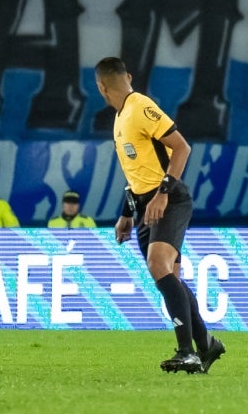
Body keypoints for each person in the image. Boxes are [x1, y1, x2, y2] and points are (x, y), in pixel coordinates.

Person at [94, 56, 221, 373]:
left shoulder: (140, 106)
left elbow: (182, 147)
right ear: (128, 76)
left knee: (158, 266)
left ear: (101, 87)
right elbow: (138, 173)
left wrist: (163, 193)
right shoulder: (121, 117)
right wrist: (126, 213)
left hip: (169, 200)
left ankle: (186, 352)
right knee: (169, 277)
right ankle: (206, 345)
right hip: (144, 206)